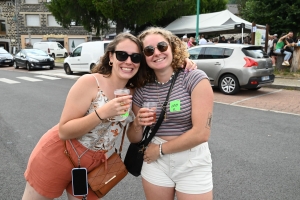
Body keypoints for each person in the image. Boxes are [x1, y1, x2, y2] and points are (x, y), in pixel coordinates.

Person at [22, 32, 196, 200]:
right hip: (59, 154)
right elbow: (64, 131)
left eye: (135, 57)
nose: (129, 61)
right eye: (122, 55)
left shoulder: (134, 91)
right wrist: (102, 113)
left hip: (95, 162)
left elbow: (161, 69)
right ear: (111, 57)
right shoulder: (90, 82)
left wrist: (182, 63)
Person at [127, 27, 214, 200]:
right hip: (155, 163)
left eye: (161, 46)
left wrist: (160, 150)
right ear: (144, 57)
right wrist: (136, 124)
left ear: (172, 47)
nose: (157, 53)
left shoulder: (194, 78)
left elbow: (202, 133)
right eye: (149, 50)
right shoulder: (142, 88)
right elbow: (134, 138)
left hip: (191, 160)